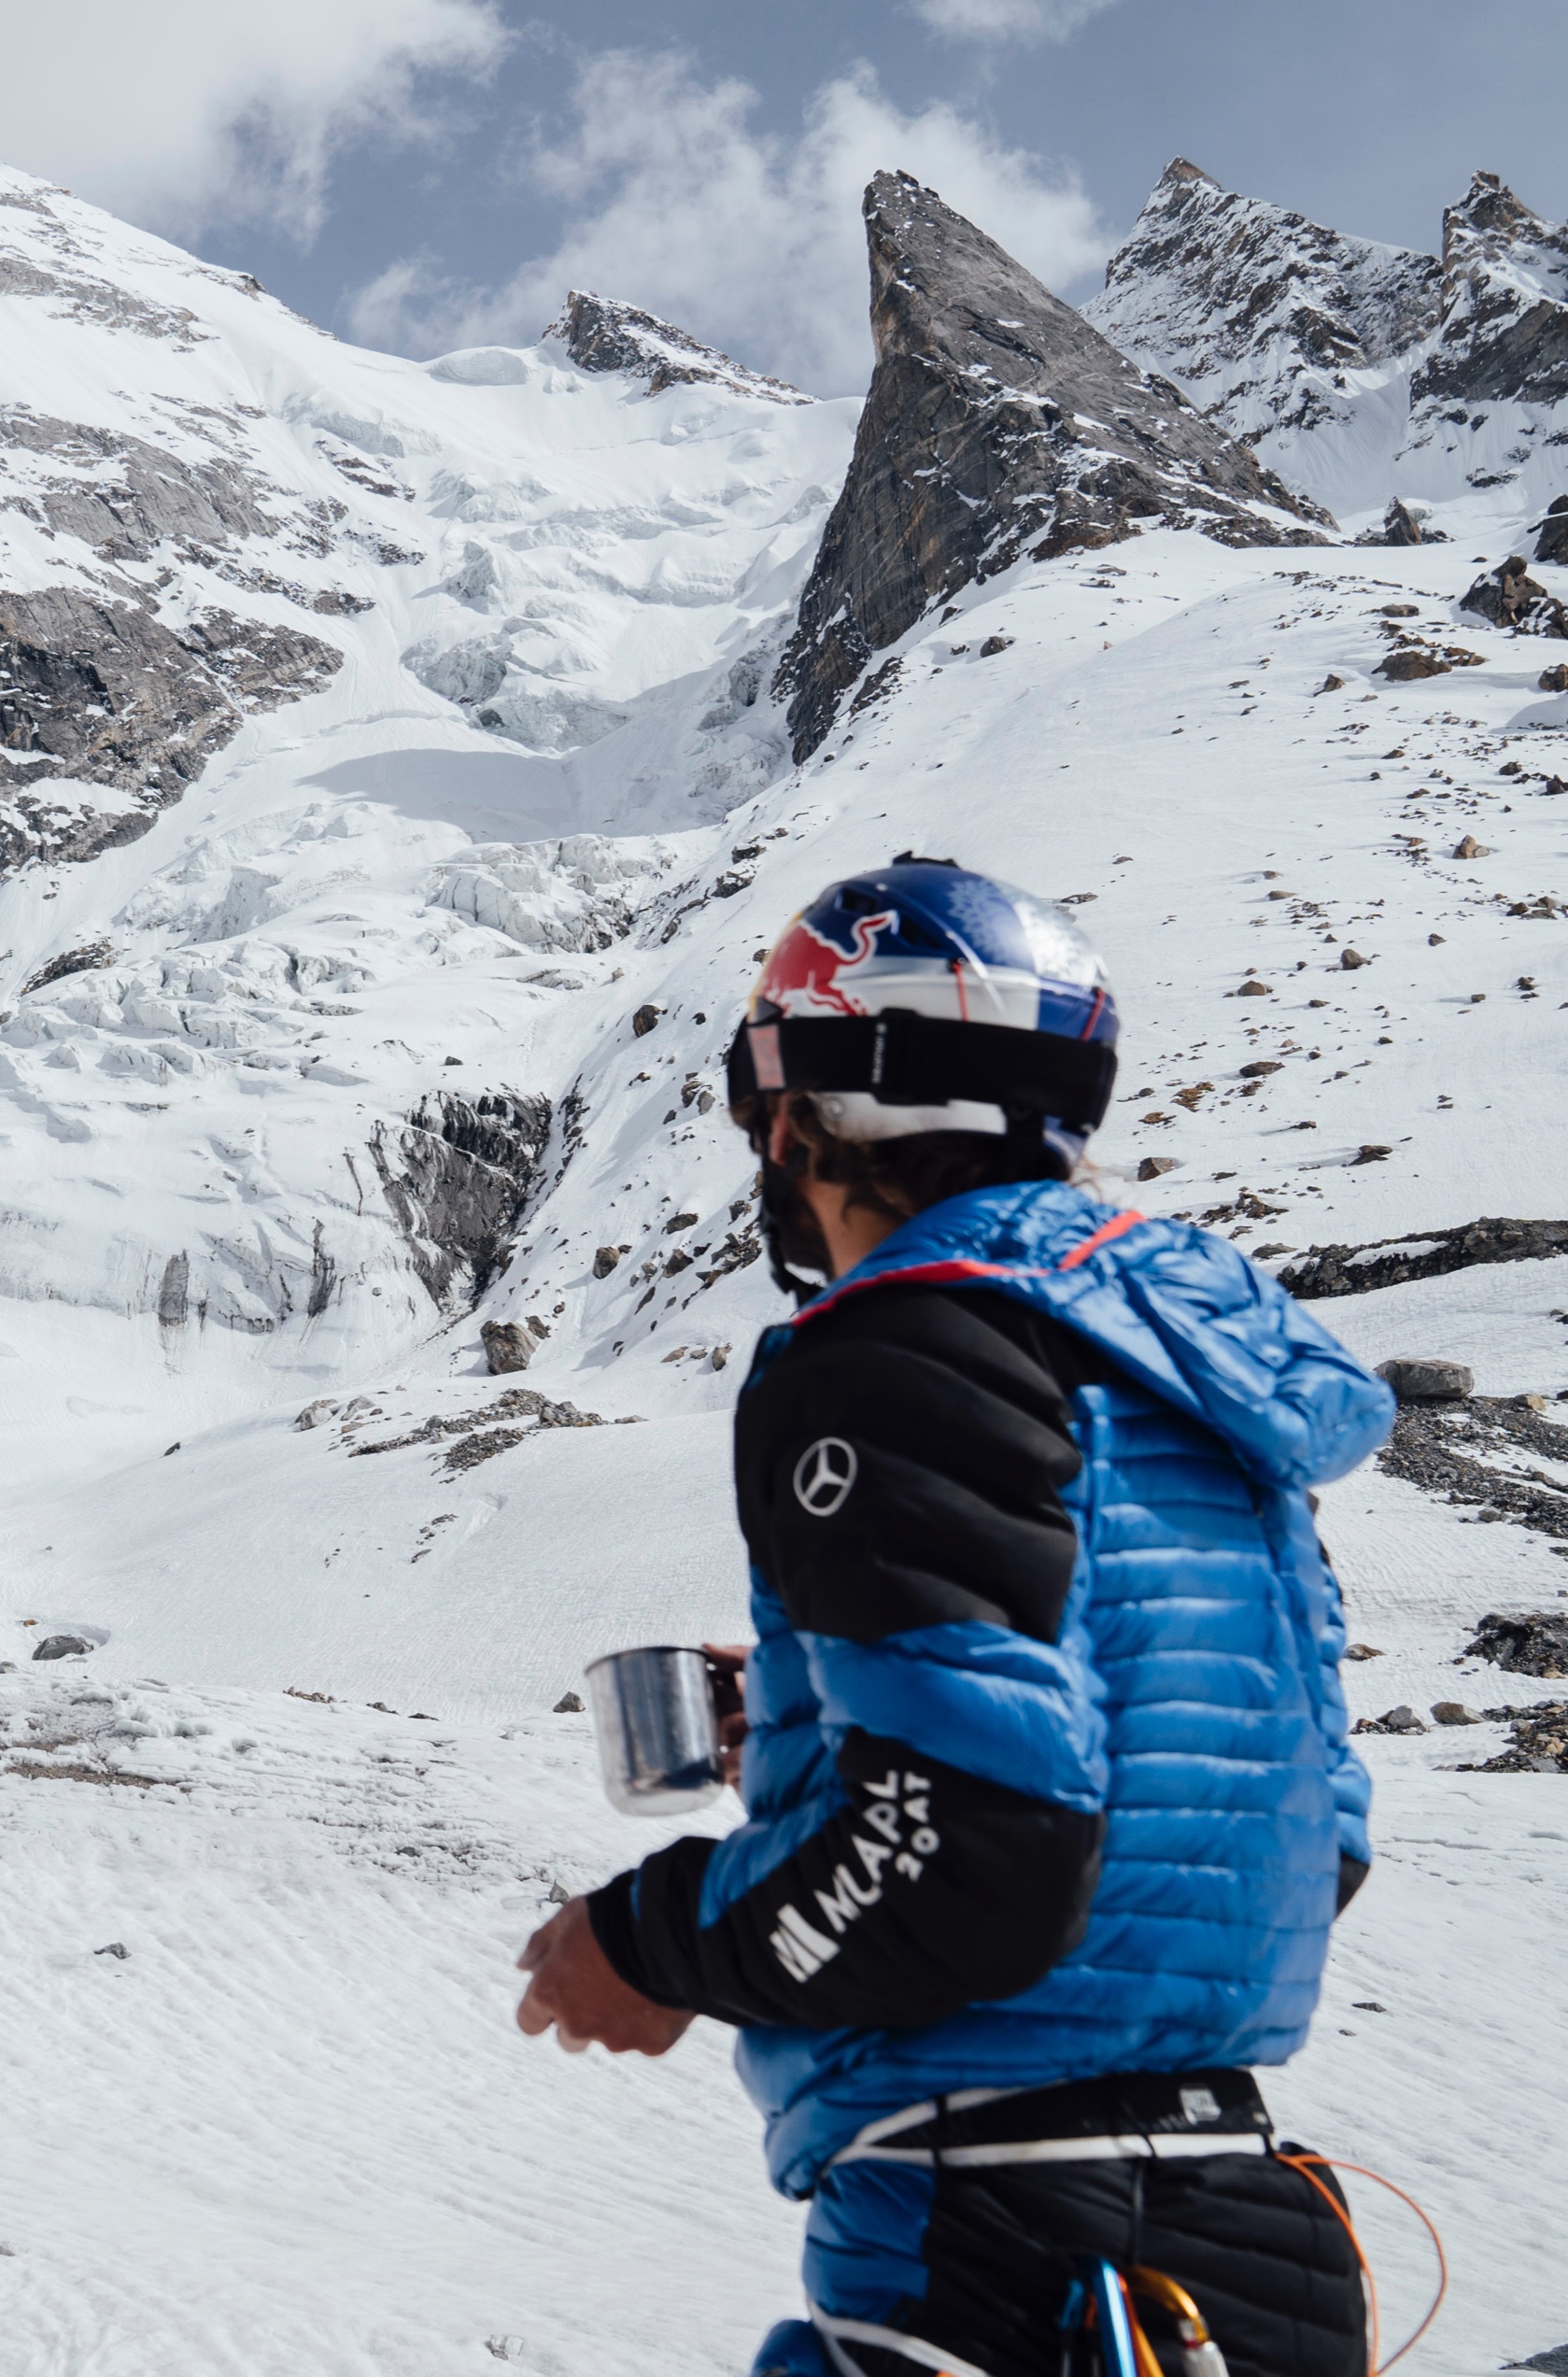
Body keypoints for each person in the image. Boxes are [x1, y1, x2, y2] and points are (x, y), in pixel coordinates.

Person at [514, 861, 1392, 2377]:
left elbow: (966, 1864)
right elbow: (1309, 1834)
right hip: (1248, 2257)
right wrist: (831, 1729)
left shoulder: (886, 1358)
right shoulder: (1193, 1374)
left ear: (796, 1126)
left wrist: (646, 1944)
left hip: (999, 2265)